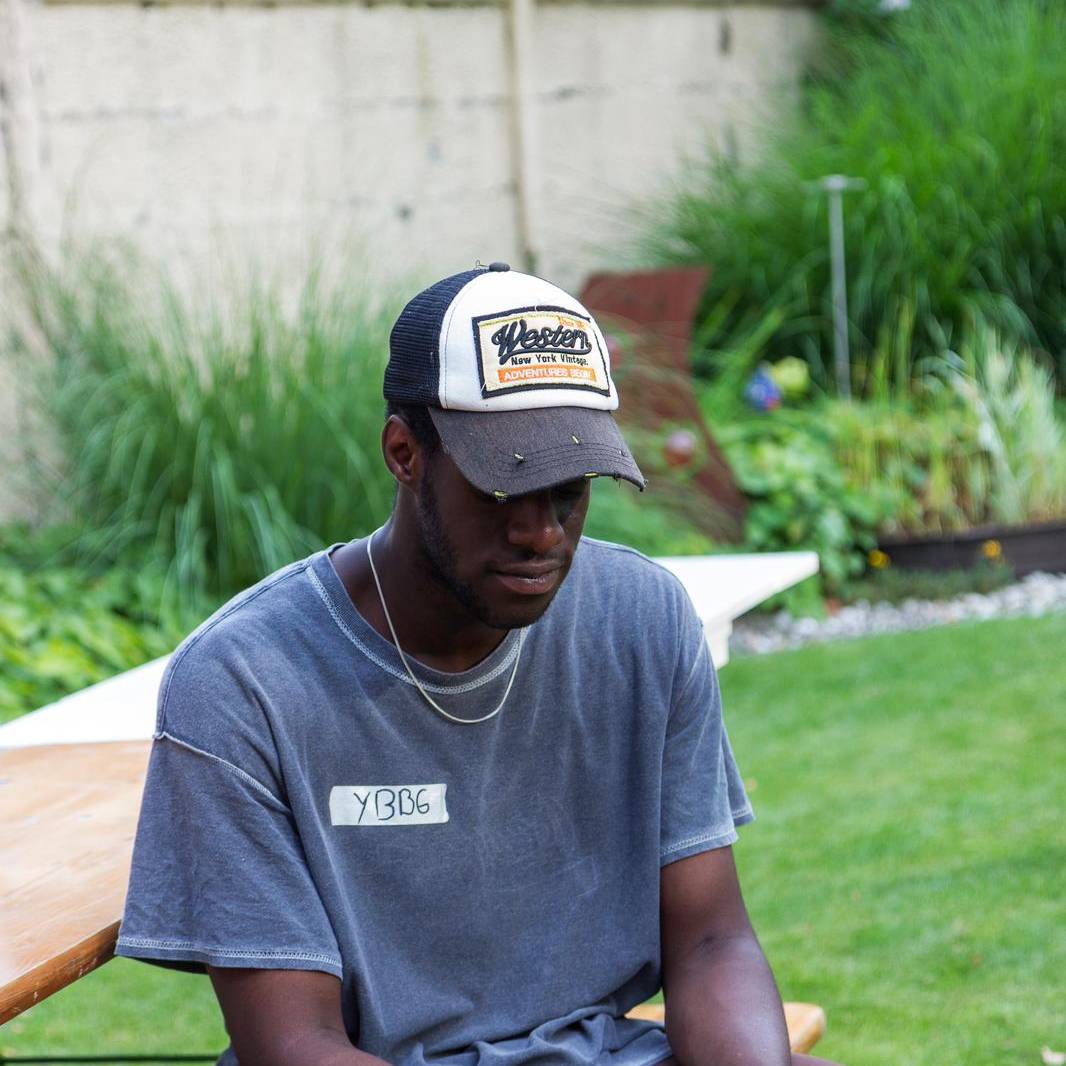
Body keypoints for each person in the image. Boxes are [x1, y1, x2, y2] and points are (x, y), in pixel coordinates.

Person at [116, 263, 840, 1066]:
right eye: (502, 488)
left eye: (569, 488)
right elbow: (292, 1044)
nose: (541, 532)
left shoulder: (642, 619)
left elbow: (710, 941)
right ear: (404, 453)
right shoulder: (244, 682)